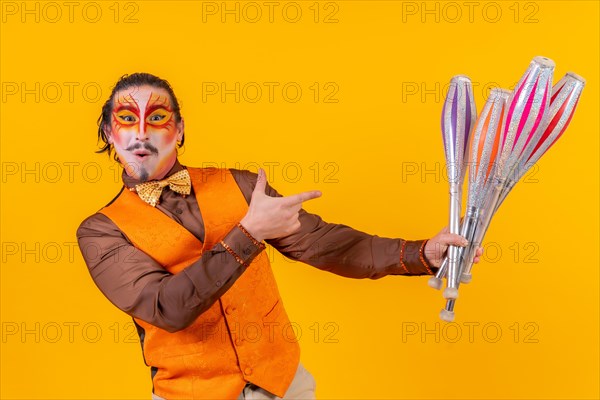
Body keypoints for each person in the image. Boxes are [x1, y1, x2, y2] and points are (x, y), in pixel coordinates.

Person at [76, 73, 483, 400]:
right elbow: (167, 308)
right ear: (111, 136)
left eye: (158, 118)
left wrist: (421, 253)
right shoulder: (101, 231)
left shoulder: (240, 185)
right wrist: (248, 233)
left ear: (180, 130)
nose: (141, 133)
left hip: (284, 385)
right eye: (127, 120)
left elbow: (325, 245)